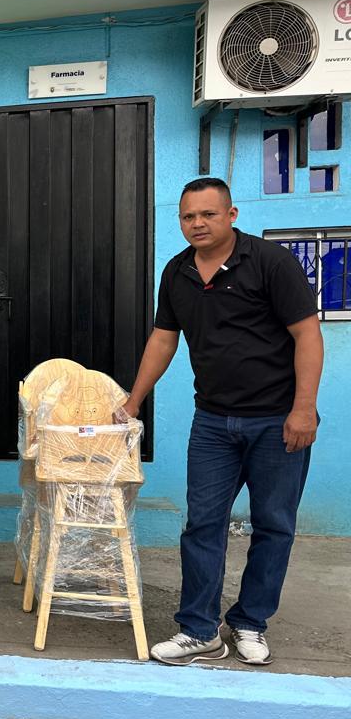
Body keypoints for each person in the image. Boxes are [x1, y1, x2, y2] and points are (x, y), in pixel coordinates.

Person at [120, 177, 323, 667]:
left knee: (273, 525)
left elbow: (307, 335)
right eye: (188, 216)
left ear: (231, 215)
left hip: (277, 421)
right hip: (212, 422)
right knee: (203, 524)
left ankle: (251, 622)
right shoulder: (178, 272)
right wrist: (133, 401)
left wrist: (303, 409)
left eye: (208, 214)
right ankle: (199, 630)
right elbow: (163, 338)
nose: (198, 224)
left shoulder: (270, 262)